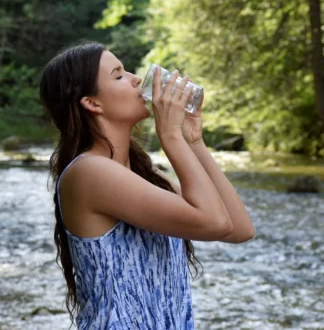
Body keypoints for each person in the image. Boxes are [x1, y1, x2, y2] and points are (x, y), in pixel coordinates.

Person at [39, 41, 254, 329]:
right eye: (118, 75)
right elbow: (214, 222)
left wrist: (193, 141)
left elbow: (238, 228)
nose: (136, 79)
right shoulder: (90, 172)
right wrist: (171, 136)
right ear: (92, 103)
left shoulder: (142, 173)